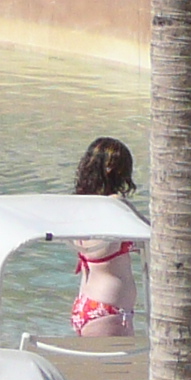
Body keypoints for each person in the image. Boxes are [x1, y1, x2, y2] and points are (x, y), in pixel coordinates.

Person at [68, 135, 141, 336]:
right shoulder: (116, 206)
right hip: (110, 307)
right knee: (119, 368)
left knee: (95, 367)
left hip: (86, 302)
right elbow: (154, 233)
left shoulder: (78, 206)